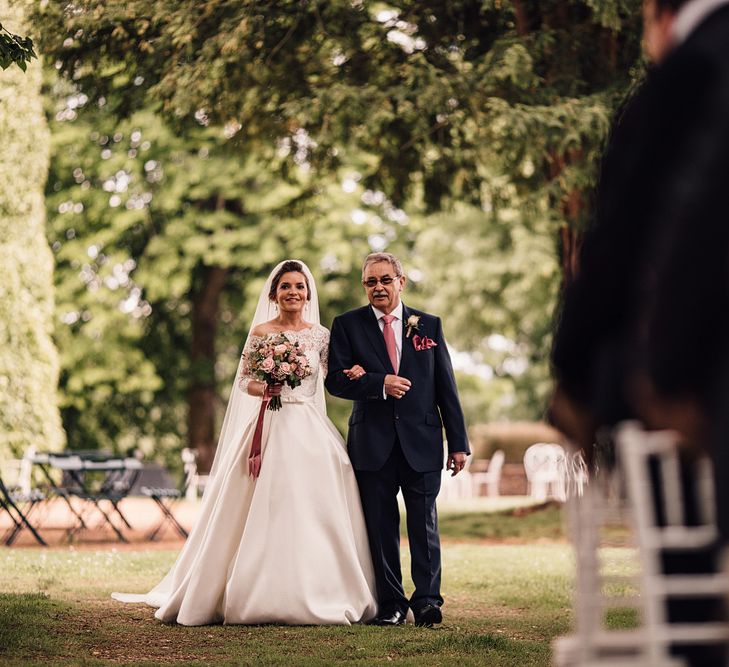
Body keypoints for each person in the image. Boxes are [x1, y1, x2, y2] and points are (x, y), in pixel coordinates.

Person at [112, 260, 377, 625]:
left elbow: (335, 376)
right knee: (260, 501)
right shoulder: (261, 332)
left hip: (311, 430)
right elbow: (244, 382)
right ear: (274, 294)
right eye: (286, 286)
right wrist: (266, 386)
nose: (293, 293)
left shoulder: (321, 335)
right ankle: (250, 586)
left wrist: (357, 372)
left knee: (313, 505)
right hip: (268, 425)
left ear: (308, 293)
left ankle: (321, 587)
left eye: (300, 286)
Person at [325, 252, 469, 627]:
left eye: (386, 280)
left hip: (421, 440)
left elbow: (445, 388)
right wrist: (379, 383)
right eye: (371, 282)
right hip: (371, 443)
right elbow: (335, 381)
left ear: (400, 282)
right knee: (380, 526)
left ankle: (426, 602)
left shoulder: (428, 326)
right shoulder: (347, 325)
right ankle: (391, 603)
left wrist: (458, 443)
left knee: (424, 524)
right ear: (364, 286)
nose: (379, 287)